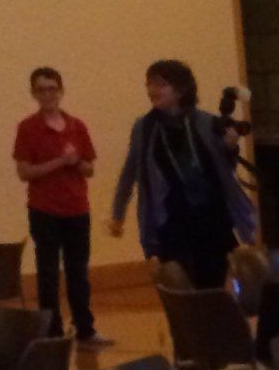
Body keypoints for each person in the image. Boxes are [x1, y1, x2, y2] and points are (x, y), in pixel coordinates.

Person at [108, 59, 255, 289]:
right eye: (149, 84)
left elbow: (223, 169)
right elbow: (130, 172)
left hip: (211, 218)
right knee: (180, 284)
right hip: (171, 220)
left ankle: (211, 312)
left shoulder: (205, 122)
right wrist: (118, 214)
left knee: (212, 283)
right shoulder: (144, 128)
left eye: (161, 84)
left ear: (181, 88)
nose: (152, 90)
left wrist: (230, 146)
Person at [13, 66, 110, 347]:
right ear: (33, 93)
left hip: (77, 209)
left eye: (52, 88)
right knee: (48, 274)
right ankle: (52, 332)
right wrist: (59, 161)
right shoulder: (27, 128)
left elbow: (89, 169)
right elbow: (24, 172)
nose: (47, 94)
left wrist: (76, 162)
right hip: (44, 210)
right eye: (41, 89)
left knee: (78, 272)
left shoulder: (77, 126)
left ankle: (85, 329)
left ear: (61, 91)